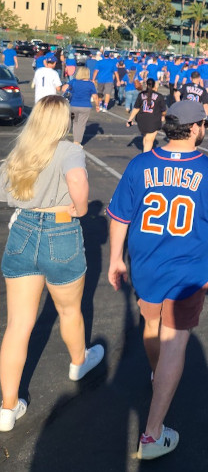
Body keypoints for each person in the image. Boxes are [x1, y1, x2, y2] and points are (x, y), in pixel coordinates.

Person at [107, 101, 208, 459]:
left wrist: (114, 259)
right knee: (175, 341)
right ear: (196, 128)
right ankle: (153, 433)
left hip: (146, 265)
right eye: (203, 123)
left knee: (151, 324)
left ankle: (158, 376)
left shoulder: (141, 164)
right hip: (188, 271)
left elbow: (120, 218)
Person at [0, 96, 104, 432]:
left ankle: (7, 406)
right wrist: (80, 208)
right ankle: (78, 362)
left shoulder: (21, 150)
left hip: (23, 230)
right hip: (60, 231)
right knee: (69, 310)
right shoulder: (69, 150)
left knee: (17, 325)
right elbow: (77, 184)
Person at [127, 78, 167, 153]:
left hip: (142, 119)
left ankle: (144, 152)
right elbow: (163, 110)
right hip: (153, 120)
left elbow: (136, 108)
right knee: (149, 140)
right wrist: (163, 116)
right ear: (155, 86)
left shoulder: (141, 95)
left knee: (145, 137)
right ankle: (145, 156)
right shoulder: (159, 96)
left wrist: (130, 119)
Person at [65, 66, 99, 145]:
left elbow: (66, 90)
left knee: (75, 123)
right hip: (85, 106)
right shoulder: (90, 84)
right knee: (81, 124)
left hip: (73, 106)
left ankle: (75, 138)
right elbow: (95, 96)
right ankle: (77, 141)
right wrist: (97, 105)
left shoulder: (73, 82)